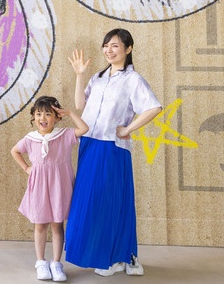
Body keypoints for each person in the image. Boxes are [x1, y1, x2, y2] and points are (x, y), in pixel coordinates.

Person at [64, 29, 162, 277]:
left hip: (111, 147)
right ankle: (120, 256)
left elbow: (154, 107)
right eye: (106, 45)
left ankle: (116, 257)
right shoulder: (97, 77)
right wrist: (79, 75)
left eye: (115, 46)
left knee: (109, 202)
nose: (109, 50)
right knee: (89, 202)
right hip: (89, 143)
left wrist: (128, 129)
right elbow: (80, 105)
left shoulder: (133, 79)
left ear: (128, 49)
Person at [11, 96, 89, 282]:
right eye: (39, 114)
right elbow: (15, 151)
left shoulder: (64, 135)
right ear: (33, 116)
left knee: (57, 224)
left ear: (57, 117)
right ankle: (41, 262)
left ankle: (56, 263)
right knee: (40, 224)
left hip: (59, 187)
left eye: (48, 114)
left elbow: (84, 129)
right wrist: (26, 168)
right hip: (39, 187)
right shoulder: (30, 139)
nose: (43, 118)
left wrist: (70, 113)